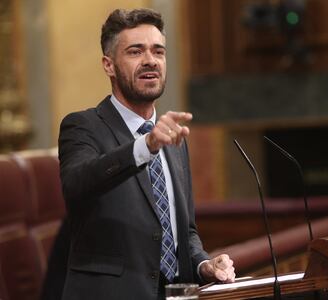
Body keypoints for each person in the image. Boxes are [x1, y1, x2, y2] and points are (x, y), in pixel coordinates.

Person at [57, 8, 235, 300]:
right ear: (109, 65)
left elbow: (185, 232)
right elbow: (77, 183)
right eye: (135, 51)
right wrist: (145, 146)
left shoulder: (173, 138)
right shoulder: (83, 126)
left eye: (158, 51)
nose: (150, 60)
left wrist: (204, 264)